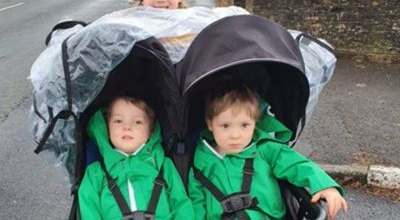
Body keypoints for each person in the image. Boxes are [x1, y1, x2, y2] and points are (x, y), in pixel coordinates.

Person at [188, 83, 348, 220]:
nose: (235, 135)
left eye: (244, 125)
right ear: (210, 124)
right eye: (225, 126)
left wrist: (323, 186)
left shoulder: (265, 148)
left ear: (255, 123)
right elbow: (197, 204)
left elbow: (297, 164)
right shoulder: (200, 161)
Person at [78, 96, 194, 219]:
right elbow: (89, 209)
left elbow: (181, 204)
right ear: (107, 128)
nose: (127, 127)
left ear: (150, 130)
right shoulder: (96, 172)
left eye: (137, 122)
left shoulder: (163, 165)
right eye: (118, 121)